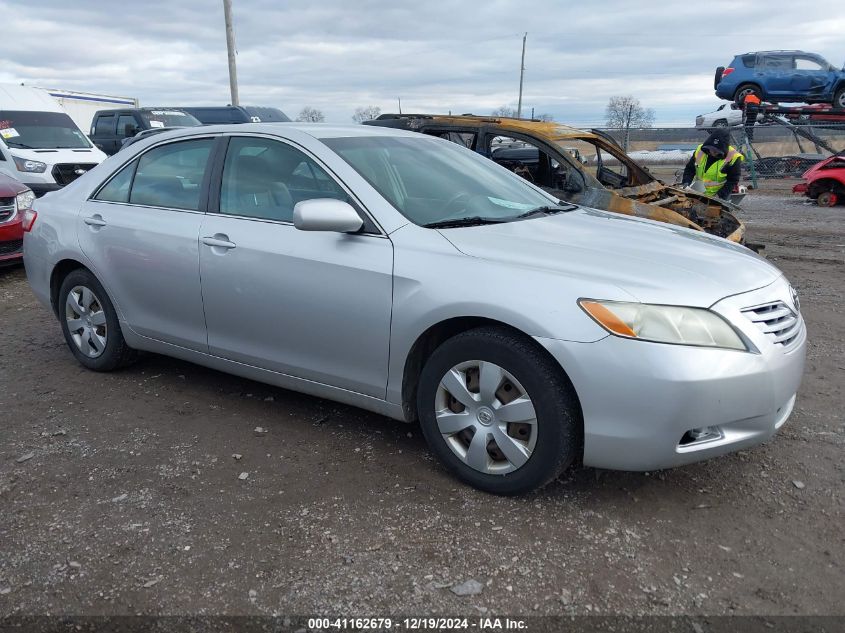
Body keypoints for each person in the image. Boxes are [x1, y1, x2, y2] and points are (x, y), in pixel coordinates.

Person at [681, 129, 744, 200]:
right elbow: (690, 169)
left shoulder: (733, 157)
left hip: (719, 194)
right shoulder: (700, 151)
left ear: (723, 149)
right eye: (711, 149)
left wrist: (719, 196)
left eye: (716, 151)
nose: (713, 153)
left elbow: (732, 180)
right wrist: (686, 183)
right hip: (698, 191)